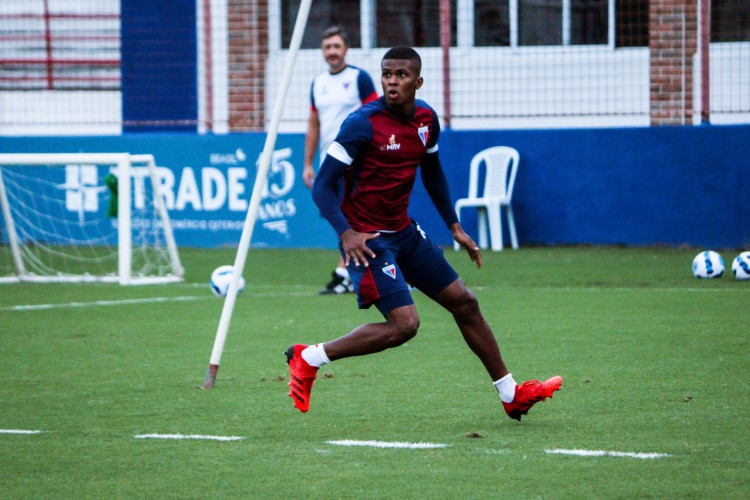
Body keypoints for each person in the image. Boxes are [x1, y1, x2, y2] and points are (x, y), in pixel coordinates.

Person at [287, 46, 562, 420]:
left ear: (418, 81)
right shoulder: (362, 123)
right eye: (386, 74)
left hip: (404, 231)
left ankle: (510, 393)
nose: (391, 81)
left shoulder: (426, 119)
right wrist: (346, 233)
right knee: (406, 325)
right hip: (368, 241)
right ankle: (310, 357)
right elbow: (323, 185)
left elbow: (432, 171)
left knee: (465, 302)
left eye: (400, 75)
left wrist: (454, 225)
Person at [303, 25, 379, 295]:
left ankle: (346, 273)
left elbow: (377, 115)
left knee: (352, 216)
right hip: (329, 162)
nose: (332, 52)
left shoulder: (360, 78)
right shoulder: (318, 83)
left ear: (346, 49)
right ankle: (348, 272)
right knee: (339, 217)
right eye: (327, 47)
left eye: (336, 46)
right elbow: (314, 124)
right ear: (322, 51)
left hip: (356, 161)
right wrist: (308, 163)